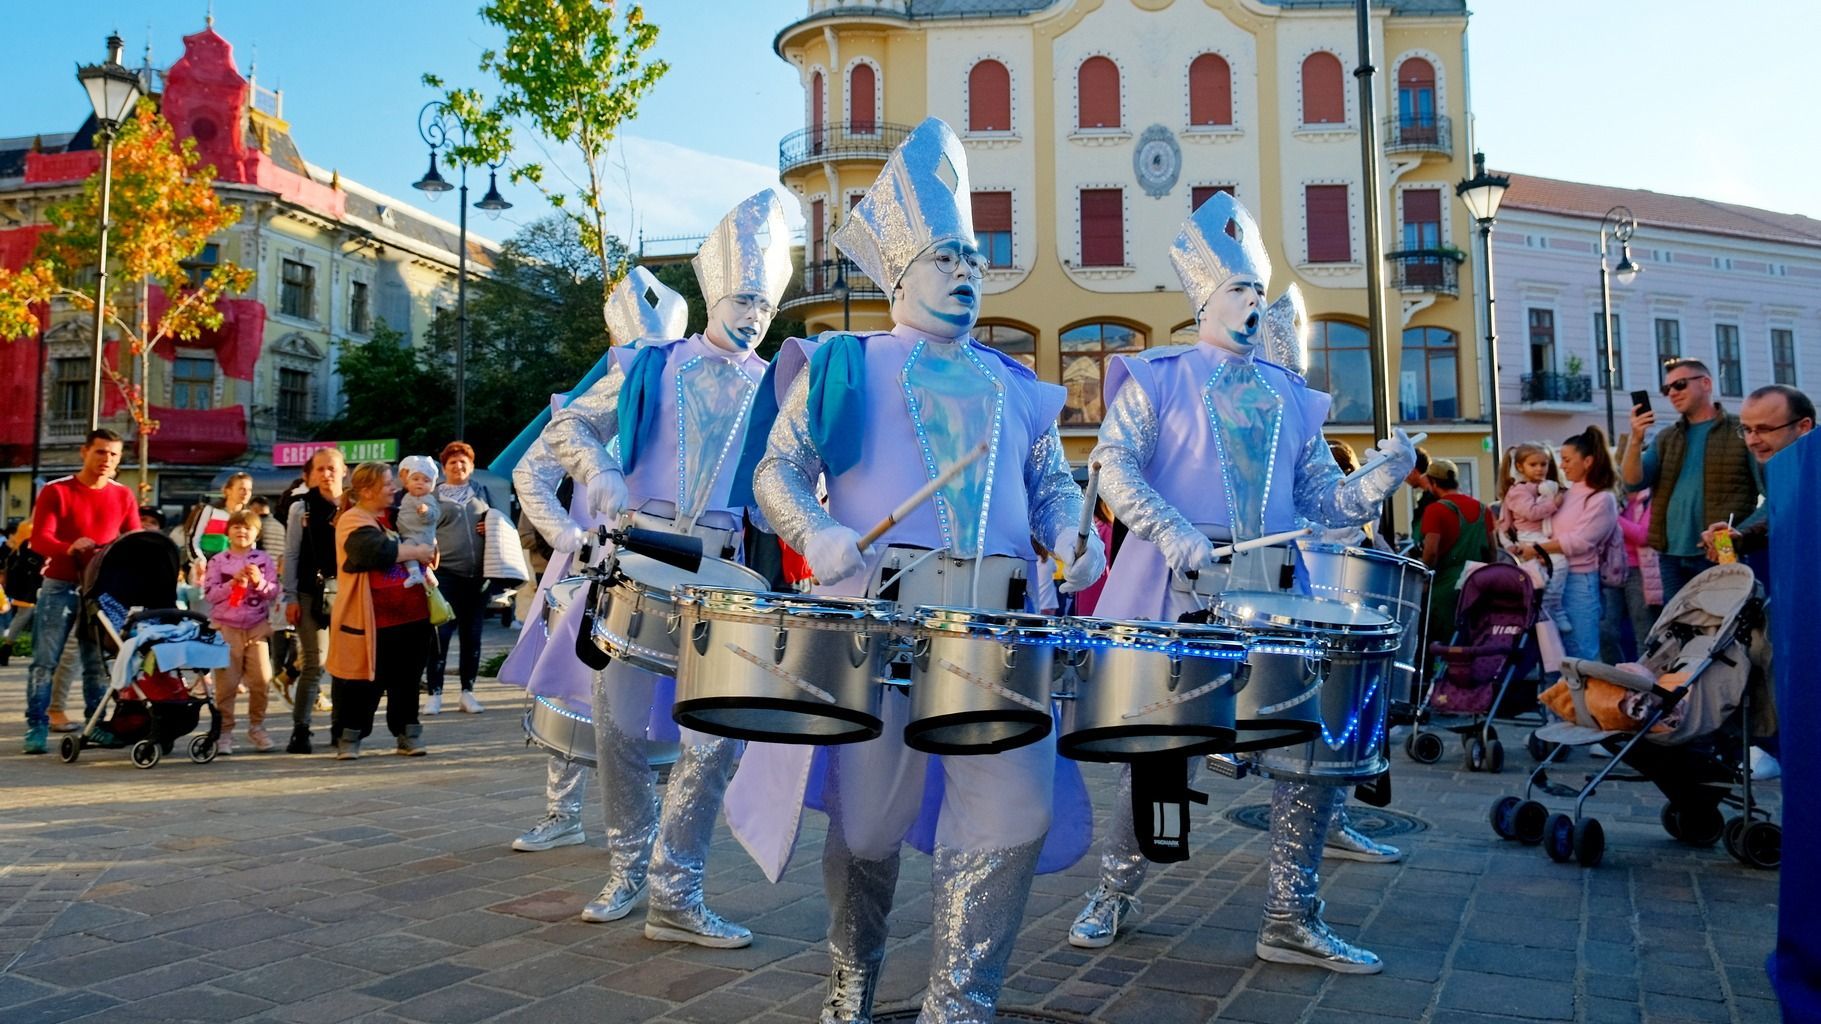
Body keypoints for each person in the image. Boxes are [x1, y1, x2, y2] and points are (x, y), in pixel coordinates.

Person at [727, 117, 1105, 1021]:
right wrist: (814, 531)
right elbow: (778, 472)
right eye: (943, 257)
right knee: (867, 823)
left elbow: (1050, 487)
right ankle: (851, 976)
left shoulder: (1018, 386)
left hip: (1001, 626)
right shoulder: (839, 362)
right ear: (898, 273)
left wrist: (1073, 538)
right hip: (875, 625)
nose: (966, 272)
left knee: (1012, 810)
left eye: (972, 256)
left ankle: (959, 1002)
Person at [1065, 190, 1413, 973]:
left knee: (1303, 748)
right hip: (1174, 589)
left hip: (1274, 593)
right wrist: (1174, 533)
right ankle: (1113, 890)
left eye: (1257, 291)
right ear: (1202, 300)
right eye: (1237, 291)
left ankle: (1291, 915)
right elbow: (1111, 467)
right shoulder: (1156, 378)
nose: (1251, 305)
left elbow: (1323, 501)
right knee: (1157, 750)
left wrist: (1382, 475)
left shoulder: (1290, 397)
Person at [538, 191, 794, 948]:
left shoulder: (779, 383)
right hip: (639, 562)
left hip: (722, 572)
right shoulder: (648, 365)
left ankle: (674, 888)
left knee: (717, 740)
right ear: (715, 294)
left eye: (765, 305)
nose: (752, 316)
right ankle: (625, 869)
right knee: (616, 726)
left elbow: (792, 477)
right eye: (742, 298)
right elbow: (569, 425)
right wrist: (602, 476)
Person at [499, 265, 688, 855]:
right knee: (568, 690)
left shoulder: (686, 395)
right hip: (590, 565)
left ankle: (647, 825)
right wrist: (569, 536)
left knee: (658, 695)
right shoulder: (584, 406)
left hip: (667, 564)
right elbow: (530, 472)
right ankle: (563, 811)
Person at [1700, 383, 1814, 783]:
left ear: (1803, 427)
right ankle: (1772, 749)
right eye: (1746, 429)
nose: (1752, 440)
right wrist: (1740, 538)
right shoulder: (1784, 468)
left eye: (1764, 429)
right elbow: (1777, 518)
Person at [22, 429, 140, 754]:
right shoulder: (56, 490)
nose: (107, 460)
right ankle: (36, 727)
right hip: (59, 585)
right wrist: (68, 546)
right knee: (44, 661)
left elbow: (135, 539)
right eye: (100, 452)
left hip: (101, 589)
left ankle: (96, 725)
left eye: (114, 454)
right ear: (84, 452)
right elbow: (39, 539)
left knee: (98, 663)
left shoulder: (123, 495)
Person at [1620, 359, 1759, 604]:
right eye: (1667, 389)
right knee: (1679, 633)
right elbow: (1632, 483)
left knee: (1725, 628)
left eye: (1680, 385)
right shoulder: (1666, 436)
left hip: (1721, 548)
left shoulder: (1741, 430)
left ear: (1705, 384)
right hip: (1670, 554)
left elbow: (1771, 495)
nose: (1672, 393)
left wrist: (1740, 534)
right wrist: (1635, 438)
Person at [325, 462, 436, 759]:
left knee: (408, 681)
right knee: (364, 683)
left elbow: (429, 534)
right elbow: (372, 553)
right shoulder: (352, 519)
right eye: (388, 484)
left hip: (414, 616)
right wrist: (417, 552)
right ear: (367, 490)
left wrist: (428, 547)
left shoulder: (399, 516)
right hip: (372, 619)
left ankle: (408, 735)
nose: (395, 488)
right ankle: (350, 738)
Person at [1511, 427, 1619, 662]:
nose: (1561, 466)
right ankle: (1558, 698)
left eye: (1567, 460)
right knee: (1554, 657)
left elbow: (1580, 541)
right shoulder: (1566, 494)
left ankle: (1584, 699)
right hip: (1552, 579)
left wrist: (1537, 549)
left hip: (1580, 582)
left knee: (1582, 654)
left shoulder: (1601, 498)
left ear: (1588, 461)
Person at [281, 446, 347, 754]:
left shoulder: (354, 505)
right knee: (314, 663)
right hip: (311, 593)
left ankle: (340, 727)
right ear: (310, 474)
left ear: (344, 471)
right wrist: (290, 596)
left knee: (344, 665)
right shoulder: (302, 508)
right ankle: (301, 730)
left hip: (348, 593)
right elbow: (292, 554)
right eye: (319, 469)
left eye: (332, 468)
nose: (326, 474)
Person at [203, 509, 281, 754]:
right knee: (226, 683)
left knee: (261, 679)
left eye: (248, 527)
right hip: (226, 627)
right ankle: (224, 731)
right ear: (228, 531)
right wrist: (231, 583)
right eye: (237, 526)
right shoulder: (218, 560)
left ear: (257, 533)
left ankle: (257, 726)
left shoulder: (264, 560)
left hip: (256, 627)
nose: (242, 531)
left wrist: (259, 582)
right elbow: (211, 594)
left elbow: (272, 592)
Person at [424, 441, 492, 715]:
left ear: (472, 466)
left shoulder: (481, 491)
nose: (458, 465)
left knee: (472, 637)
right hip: (445, 576)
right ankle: (435, 694)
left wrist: (492, 523)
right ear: (444, 468)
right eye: (452, 461)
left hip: (478, 578)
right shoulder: (434, 496)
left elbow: (498, 520)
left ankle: (468, 692)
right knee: (440, 636)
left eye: (464, 461)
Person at [1420, 459, 1495, 645]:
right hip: (1476, 584)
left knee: (1443, 645)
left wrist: (1423, 580)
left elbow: (1430, 552)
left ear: (1433, 483)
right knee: (1471, 641)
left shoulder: (1435, 510)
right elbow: (1492, 551)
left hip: (1444, 588)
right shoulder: (1483, 509)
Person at [1496, 442, 1566, 627]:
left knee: (1546, 574)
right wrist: (1555, 503)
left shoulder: (1543, 486)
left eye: (1544, 464)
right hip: (1529, 536)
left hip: (1541, 536)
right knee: (1559, 564)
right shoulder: (1518, 491)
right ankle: (1550, 607)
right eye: (1533, 465)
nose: (1540, 469)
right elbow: (1532, 512)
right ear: (1520, 467)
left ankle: (1552, 607)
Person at [0, 520, 44, 669]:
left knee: (23, 617)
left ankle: (7, 648)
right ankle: (9, 649)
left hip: (25, 584)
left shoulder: (17, 542)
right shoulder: (29, 536)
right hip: (30, 584)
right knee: (30, 616)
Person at [393, 455, 442, 590]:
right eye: (415, 478)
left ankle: (423, 574)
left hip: (418, 535)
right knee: (410, 551)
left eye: (425, 480)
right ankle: (420, 574)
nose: (419, 482)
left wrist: (425, 512)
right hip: (406, 533)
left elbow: (435, 514)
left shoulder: (427, 498)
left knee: (413, 550)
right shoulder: (401, 496)